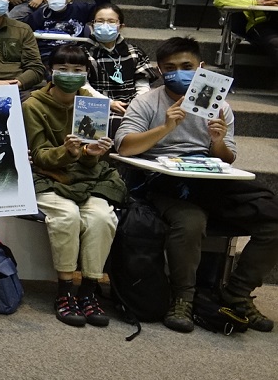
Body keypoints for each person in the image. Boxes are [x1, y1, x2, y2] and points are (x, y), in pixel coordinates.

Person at [116, 36, 278, 333]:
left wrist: (217, 141)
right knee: (190, 221)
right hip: (162, 180)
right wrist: (166, 127)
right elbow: (125, 147)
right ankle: (183, 297)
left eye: (187, 66)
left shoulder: (219, 104)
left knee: (272, 218)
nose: (179, 72)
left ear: (201, 67)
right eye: (170, 68)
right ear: (160, 71)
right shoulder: (147, 101)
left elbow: (227, 157)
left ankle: (237, 293)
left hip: (209, 179)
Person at [22, 44, 125, 328]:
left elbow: (93, 157)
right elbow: (39, 155)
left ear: (86, 73)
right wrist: (67, 152)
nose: (70, 74)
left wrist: (92, 154)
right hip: (48, 176)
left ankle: (89, 290)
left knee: (102, 217)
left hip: (88, 176)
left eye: (77, 70)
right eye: (63, 69)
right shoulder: (33, 105)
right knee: (67, 215)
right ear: (51, 71)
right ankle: (65, 290)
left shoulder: (91, 104)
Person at [83, 3, 156, 116]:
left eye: (111, 21)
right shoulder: (82, 53)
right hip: (96, 107)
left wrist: (136, 106)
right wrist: (109, 103)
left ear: (121, 26)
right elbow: (83, 85)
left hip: (133, 107)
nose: (105, 25)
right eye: (100, 21)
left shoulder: (135, 52)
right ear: (92, 25)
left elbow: (143, 85)